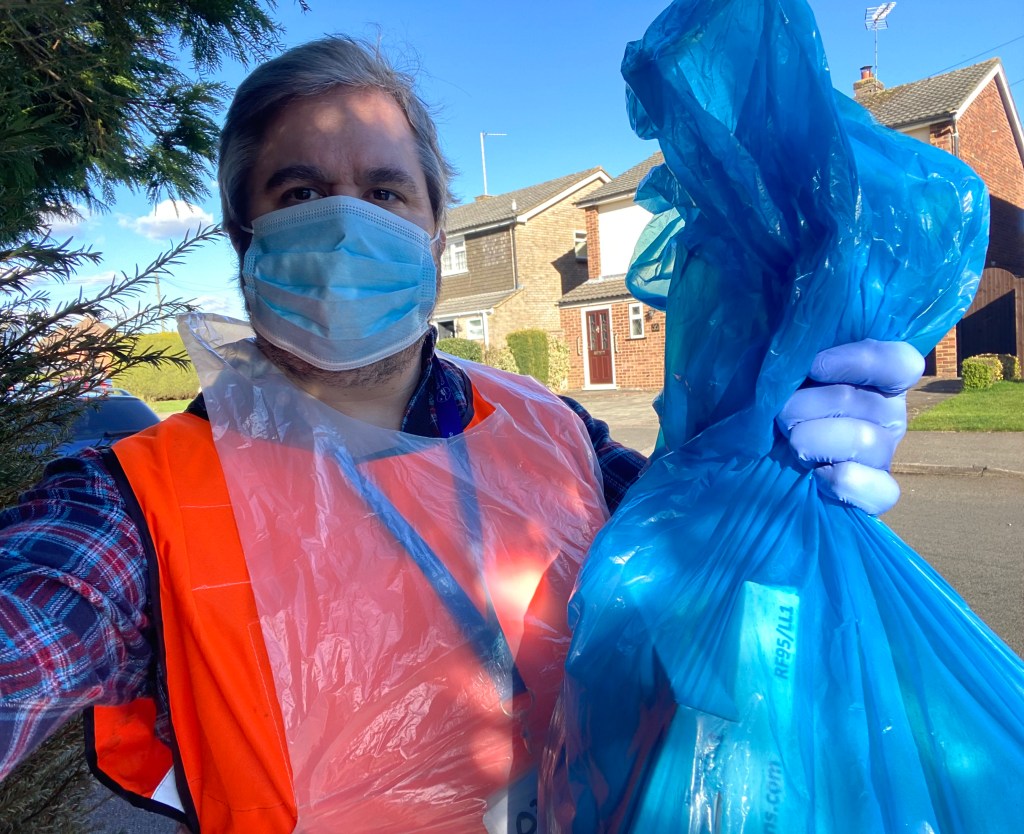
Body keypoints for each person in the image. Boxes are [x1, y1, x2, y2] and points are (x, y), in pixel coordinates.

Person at [0, 36, 923, 833]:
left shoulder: (552, 428)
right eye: (300, 191)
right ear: (246, 241)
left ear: (436, 234)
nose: (348, 227)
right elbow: (29, 628)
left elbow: (714, 561)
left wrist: (787, 464)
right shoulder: (136, 508)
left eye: (385, 192)